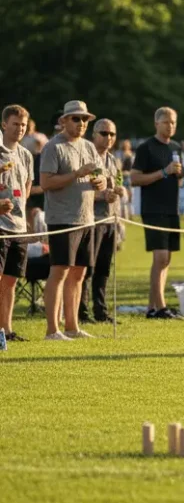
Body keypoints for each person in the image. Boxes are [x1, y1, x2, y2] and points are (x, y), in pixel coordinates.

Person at [39, 101, 106, 340]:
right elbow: (46, 183)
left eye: (85, 120)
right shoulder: (52, 147)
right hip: (62, 219)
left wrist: (100, 183)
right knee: (59, 272)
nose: (81, 124)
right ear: (63, 121)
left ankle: (72, 326)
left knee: (79, 273)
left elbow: (101, 178)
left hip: (86, 218)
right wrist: (77, 174)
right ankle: (52, 330)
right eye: (76, 119)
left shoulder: (89, 147)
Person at [130, 107, 184, 319]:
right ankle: (161, 306)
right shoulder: (146, 148)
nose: (170, 126)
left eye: (173, 122)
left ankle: (152, 306)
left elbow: (178, 176)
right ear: (156, 124)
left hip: (172, 208)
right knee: (160, 257)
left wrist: (178, 174)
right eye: (166, 122)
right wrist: (164, 172)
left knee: (167, 259)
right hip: (153, 208)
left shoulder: (176, 147)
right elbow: (135, 178)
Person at [77, 119, 127, 324]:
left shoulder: (114, 161)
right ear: (93, 135)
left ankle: (101, 310)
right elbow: (79, 189)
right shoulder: (86, 159)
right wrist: (101, 195)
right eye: (104, 133)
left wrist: (119, 191)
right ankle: (81, 311)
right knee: (87, 269)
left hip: (110, 220)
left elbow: (119, 183)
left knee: (104, 268)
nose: (108, 138)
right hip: (92, 220)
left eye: (112, 134)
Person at [0, 105, 35, 342]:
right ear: (4, 125)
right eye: (15, 124)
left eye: (23, 125)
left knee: (11, 280)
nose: (19, 129)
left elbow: (27, 187)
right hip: (0, 227)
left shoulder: (25, 155)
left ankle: (6, 330)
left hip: (19, 226)